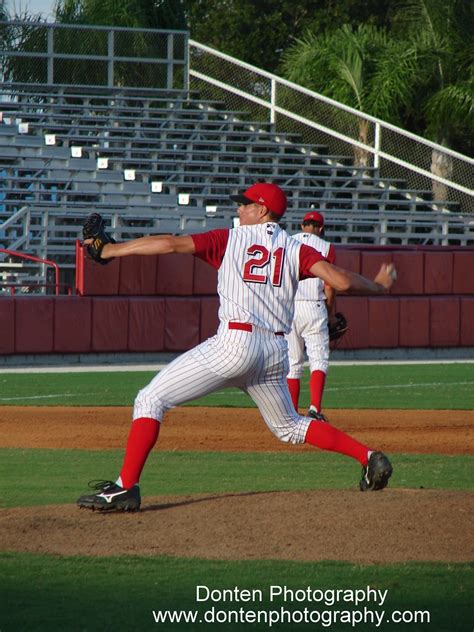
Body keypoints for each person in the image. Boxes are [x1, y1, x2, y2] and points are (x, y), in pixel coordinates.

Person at [77, 182, 396, 512]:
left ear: (262, 210)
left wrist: (111, 251)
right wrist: (380, 287)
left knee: (150, 398)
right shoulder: (294, 248)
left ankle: (125, 487)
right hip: (274, 353)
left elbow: (170, 244)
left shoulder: (229, 238)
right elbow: (341, 281)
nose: (239, 209)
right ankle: (369, 457)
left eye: (245, 205)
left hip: (235, 344)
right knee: (289, 426)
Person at [286, 210, 335, 421]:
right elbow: (330, 285)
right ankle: (314, 409)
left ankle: (290, 412)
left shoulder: (287, 242)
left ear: (302, 225)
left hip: (289, 308)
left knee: (292, 363)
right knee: (319, 360)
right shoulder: (326, 247)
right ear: (321, 229)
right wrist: (330, 313)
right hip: (314, 307)